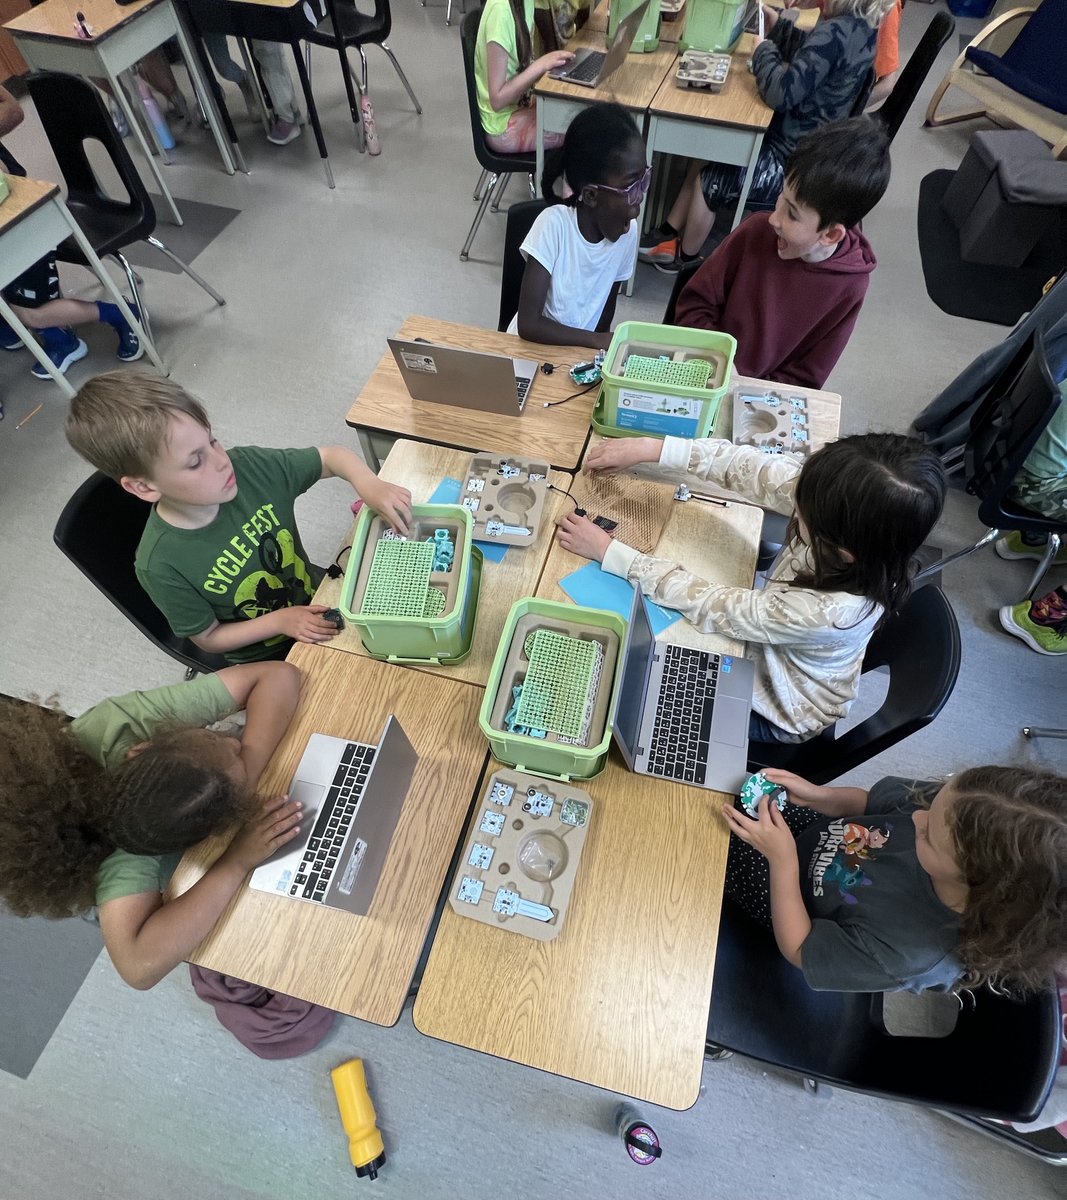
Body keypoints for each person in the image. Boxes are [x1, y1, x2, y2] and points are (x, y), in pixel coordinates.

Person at [556, 432, 945, 742]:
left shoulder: (827, 613)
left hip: (780, 708)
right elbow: (752, 468)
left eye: (804, 508)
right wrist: (654, 448)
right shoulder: (852, 522)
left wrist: (610, 551)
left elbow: (716, 606)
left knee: (623, 700)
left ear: (842, 550)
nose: (795, 499)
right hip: (773, 641)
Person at [65, 372, 413, 664]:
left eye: (213, 442)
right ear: (144, 487)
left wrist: (369, 484)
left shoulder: (249, 468)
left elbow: (332, 457)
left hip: (318, 597)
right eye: (194, 461)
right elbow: (209, 638)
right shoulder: (160, 565)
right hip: (268, 655)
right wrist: (281, 621)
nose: (221, 460)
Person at [0, 662, 304, 989]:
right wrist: (236, 861)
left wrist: (241, 781)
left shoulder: (115, 726)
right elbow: (137, 967)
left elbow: (277, 676)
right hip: (97, 878)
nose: (234, 744)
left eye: (214, 740)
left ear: (142, 748)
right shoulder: (124, 864)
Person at [720, 765, 1067, 994]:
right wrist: (818, 795)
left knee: (699, 831)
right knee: (720, 780)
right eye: (932, 804)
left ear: (979, 887)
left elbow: (798, 948)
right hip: (807, 838)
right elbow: (872, 801)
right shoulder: (961, 811)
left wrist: (782, 861)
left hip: (790, 903)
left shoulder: (910, 953)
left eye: (928, 835)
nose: (916, 817)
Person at [640, 0, 894, 273]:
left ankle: (683, 260)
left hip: (789, 160)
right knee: (707, 155)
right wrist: (781, 29)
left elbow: (780, 94)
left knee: (710, 182)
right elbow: (816, 58)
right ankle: (670, 230)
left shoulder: (833, 33)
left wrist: (763, 52)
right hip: (807, 149)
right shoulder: (862, 29)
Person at [673, 116, 890, 388]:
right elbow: (694, 304)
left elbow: (806, 378)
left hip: (761, 402)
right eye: (781, 198)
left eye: (792, 214)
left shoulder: (850, 286)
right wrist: (721, 362)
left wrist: (751, 391)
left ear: (831, 235)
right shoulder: (754, 232)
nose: (774, 219)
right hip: (706, 370)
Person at [0, 84, 142, 379]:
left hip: (22, 221)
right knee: (15, 301)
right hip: (14, 221)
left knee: (30, 312)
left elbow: (12, 111)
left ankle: (120, 314)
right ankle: (50, 336)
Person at [513, 103, 646, 350]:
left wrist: (595, 354)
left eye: (643, 180)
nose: (639, 197)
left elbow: (605, 311)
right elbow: (528, 324)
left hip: (572, 358)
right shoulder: (554, 226)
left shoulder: (629, 232)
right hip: (527, 352)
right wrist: (596, 341)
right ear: (591, 195)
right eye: (630, 187)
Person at [475, 0, 574, 154]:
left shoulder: (526, 3)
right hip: (502, 126)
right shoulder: (501, 12)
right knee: (582, 129)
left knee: (582, 115)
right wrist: (541, 65)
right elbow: (497, 99)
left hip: (522, 103)